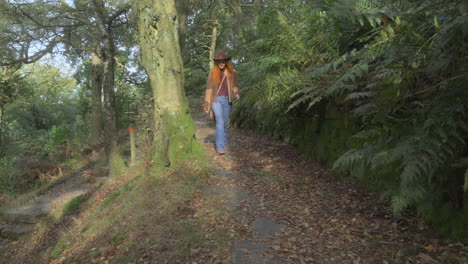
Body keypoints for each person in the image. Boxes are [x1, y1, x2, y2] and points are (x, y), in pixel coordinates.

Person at [203, 51, 240, 155]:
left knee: (225, 124)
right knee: (219, 122)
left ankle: (224, 144)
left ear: (226, 62)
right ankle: (219, 147)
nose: (221, 63)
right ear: (216, 62)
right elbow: (209, 89)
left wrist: (236, 93)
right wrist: (206, 105)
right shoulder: (212, 73)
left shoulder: (231, 72)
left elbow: (234, 85)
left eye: (223, 61)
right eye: (219, 61)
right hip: (216, 100)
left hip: (227, 100)